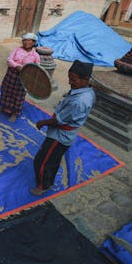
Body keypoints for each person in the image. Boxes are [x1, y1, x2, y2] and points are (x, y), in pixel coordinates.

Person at [31, 60, 96, 196]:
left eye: (73, 80)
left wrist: (43, 122)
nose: (70, 82)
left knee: (42, 161)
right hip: (62, 134)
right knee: (53, 159)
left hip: (59, 137)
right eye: (69, 78)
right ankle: (48, 179)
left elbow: (58, 121)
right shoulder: (84, 91)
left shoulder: (79, 101)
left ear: (85, 79)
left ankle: (43, 185)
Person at [0, 32, 40, 122]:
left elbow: (37, 68)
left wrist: (29, 72)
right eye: (24, 40)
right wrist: (16, 66)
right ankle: (3, 107)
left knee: (18, 95)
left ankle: (15, 113)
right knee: (6, 90)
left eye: (28, 40)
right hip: (11, 74)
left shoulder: (35, 55)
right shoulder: (17, 50)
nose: (25, 42)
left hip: (23, 78)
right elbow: (9, 60)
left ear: (33, 42)